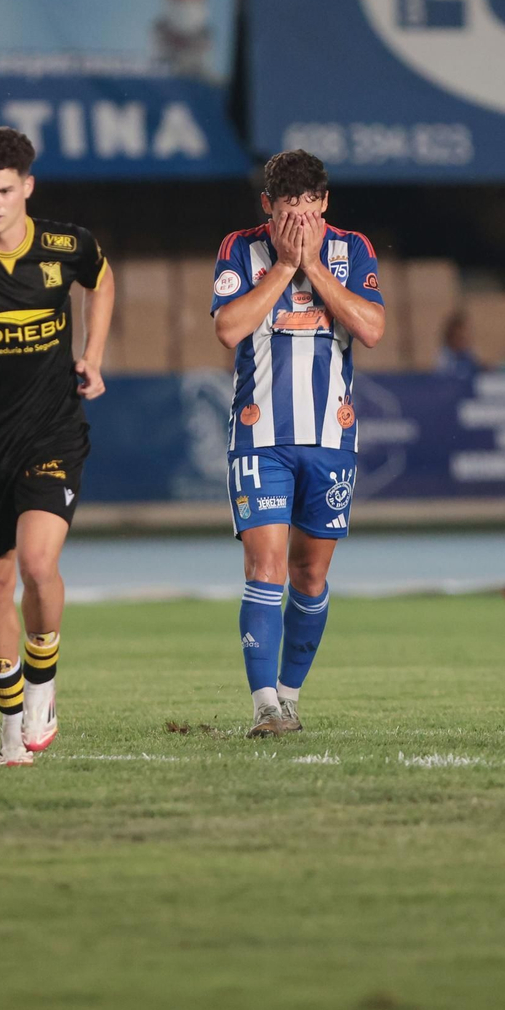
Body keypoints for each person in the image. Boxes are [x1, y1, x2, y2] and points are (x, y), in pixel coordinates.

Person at [0, 127, 115, 766]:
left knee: (38, 566)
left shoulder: (67, 244)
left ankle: (43, 682)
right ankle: (10, 717)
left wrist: (92, 356)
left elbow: (101, 280)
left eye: (4, 191)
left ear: (28, 188)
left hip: (51, 433)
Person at [210, 149, 386, 736]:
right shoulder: (240, 248)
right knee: (267, 566)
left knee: (310, 577)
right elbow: (229, 328)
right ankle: (264, 705)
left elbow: (370, 328)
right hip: (260, 437)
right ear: (268, 206)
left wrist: (314, 268)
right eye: (289, 204)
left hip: (330, 438)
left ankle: (288, 694)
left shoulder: (352, 248)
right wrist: (285, 267)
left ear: (326, 202)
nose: (301, 215)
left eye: (311, 203)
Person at [435, 311, 481, 379]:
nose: (464, 340)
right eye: (459, 337)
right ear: (451, 337)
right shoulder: (444, 358)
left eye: (465, 337)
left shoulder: (469, 354)